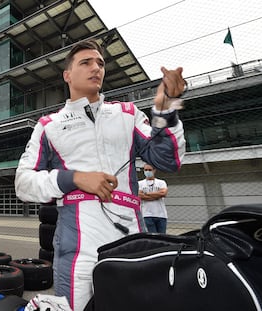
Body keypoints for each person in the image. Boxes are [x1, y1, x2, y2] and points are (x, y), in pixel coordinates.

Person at [15, 39, 186, 311]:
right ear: (67, 75)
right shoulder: (49, 125)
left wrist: (167, 108)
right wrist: (75, 178)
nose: (96, 67)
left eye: (100, 63)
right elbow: (23, 183)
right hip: (78, 248)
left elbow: (168, 158)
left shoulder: (127, 114)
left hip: (131, 241)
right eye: (86, 62)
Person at [138, 163, 168, 233]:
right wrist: (157, 195)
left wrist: (146, 194)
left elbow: (163, 193)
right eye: (146, 170)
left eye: (150, 170)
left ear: (154, 170)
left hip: (161, 215)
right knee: (152, 236)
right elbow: (139, 195)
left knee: (162, 237)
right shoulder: (140, 183)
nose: (147, 172)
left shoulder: (161, 182)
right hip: (147, 215)